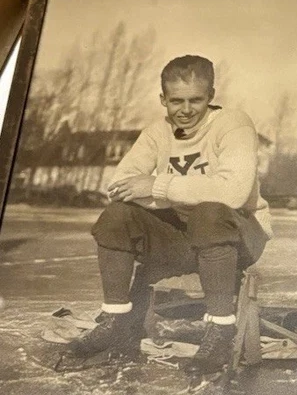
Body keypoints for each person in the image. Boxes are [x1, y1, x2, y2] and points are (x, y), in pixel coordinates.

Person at [68, 55, 272, 373]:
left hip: (240, 233)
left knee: (209, 212)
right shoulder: (156, 133)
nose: (186, 109)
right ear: (163, 99)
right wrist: (171, 194)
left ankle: (220, 330)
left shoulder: (233, 123)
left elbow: (233, 193)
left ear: (212, 96)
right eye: (176, 100)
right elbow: (119, 186)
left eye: (196, 100)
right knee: (117, 215)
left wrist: (157, 185)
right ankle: (117, 320)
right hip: (183, 234)